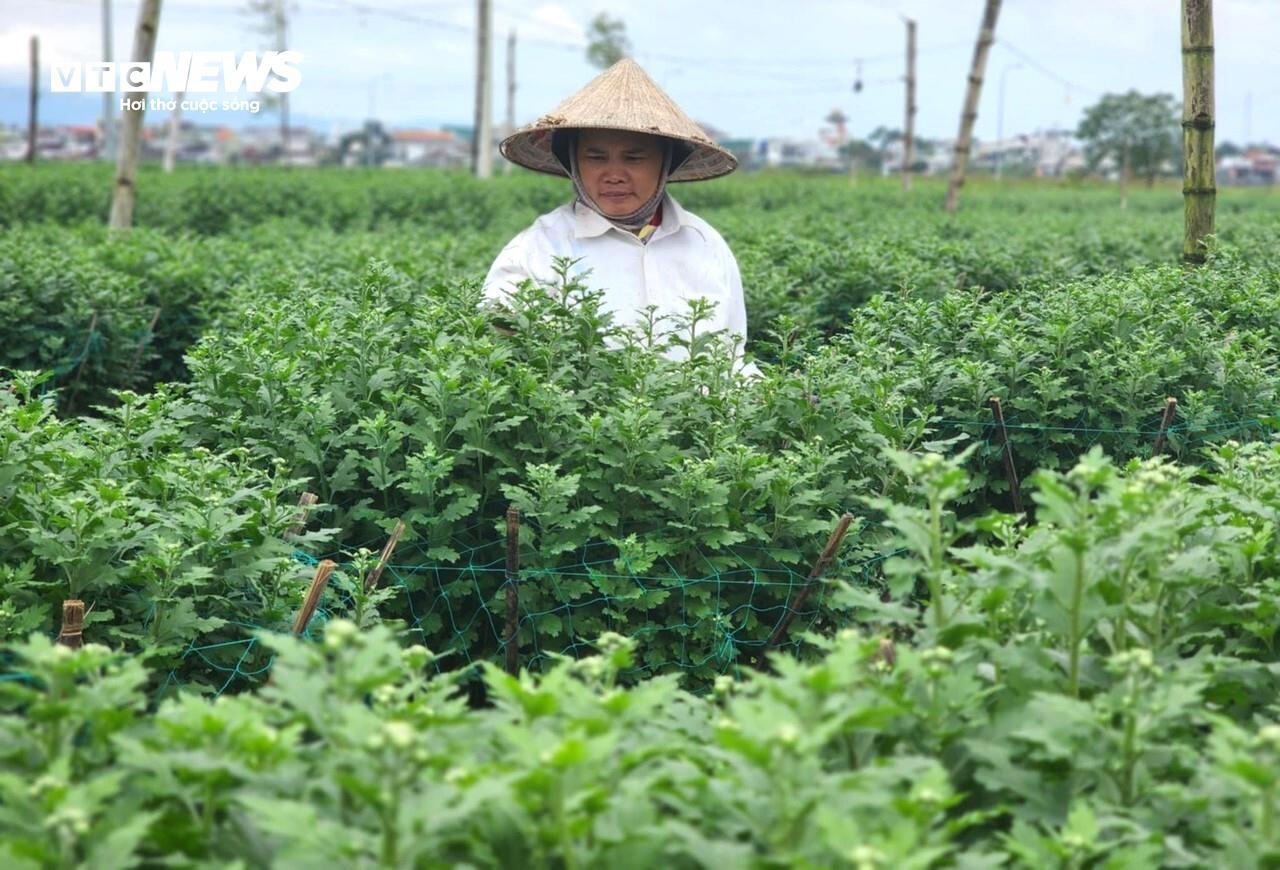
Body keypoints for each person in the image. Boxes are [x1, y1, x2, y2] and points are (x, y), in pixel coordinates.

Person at [483, 58, 756, 375]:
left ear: (665, 163)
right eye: (595, 157)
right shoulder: (538, 250)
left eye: (634, 158)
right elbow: (502, 354)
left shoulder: (705, 244)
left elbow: (733, 359)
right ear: (573, 163)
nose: (614, 175)